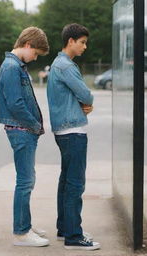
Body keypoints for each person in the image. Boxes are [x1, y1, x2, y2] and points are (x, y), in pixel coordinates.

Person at [47, 23, 100, 250]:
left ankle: (65, 228)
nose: (85, 47)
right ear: (71, 41)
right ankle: (74, 237)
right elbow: (86, 94)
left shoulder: (57, 64)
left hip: (64, 130)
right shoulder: (66, 66)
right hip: (73, 131)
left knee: (66, 182)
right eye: (82, 42)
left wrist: (83, 103)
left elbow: (72, 96)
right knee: (75, 185)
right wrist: (87, 103)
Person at [0, 27, 50, 247]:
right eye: (36, 53)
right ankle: (21, 232)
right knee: (25, 181)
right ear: (27, 45)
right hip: (21, 130)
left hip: (23, 130)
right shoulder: (11, 67)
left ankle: (24, 224)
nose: (35, 58)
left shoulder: (16, 66)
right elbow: (16, 104)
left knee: (27, 179)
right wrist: (35, 125)